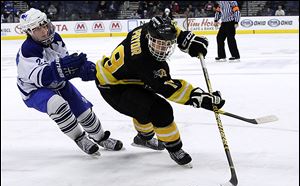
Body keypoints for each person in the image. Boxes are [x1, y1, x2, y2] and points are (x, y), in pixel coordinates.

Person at [90, 16, 225, 166]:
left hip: (128, 78)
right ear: (150, 38)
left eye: (167, 44)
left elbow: (169, 29)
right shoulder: (144, 62)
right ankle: (174, 148)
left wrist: (186, 39)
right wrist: (198, 96)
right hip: (114, 88)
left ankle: (143, 138)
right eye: (159, 44)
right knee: (160, 110)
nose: (163, 48)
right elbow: (169, 88)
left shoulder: (146, 29)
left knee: (143, 107)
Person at [16, 8, 123, 156]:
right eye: (37, 29)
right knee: (57, 104)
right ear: (29, 32)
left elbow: (65, 64)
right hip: (33, 90)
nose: (44, 31)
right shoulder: (28, 49)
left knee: (84, 111)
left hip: (58, 83)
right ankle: (79, 138)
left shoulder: (56, 39)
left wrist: (81, 69)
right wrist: (65, 68)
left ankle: (100, 138)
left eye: (44, 25)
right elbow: (42, 77)